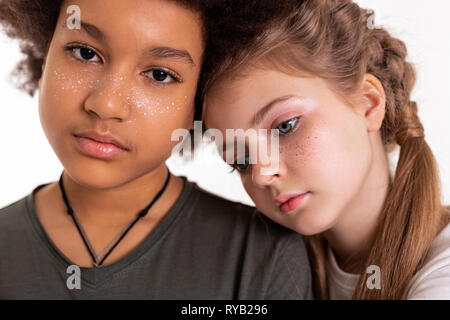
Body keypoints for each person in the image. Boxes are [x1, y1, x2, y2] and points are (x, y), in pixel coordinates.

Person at [0, 0, 312, 299]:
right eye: (84, 53)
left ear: (199, 100)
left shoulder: (260, 258)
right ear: (44, 51)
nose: (106, 104)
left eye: (159, 75)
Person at [201, 0, 450, 299]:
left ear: (368, 104)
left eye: (285, 126)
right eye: (241, 159)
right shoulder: (270, 270)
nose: (263, 174)